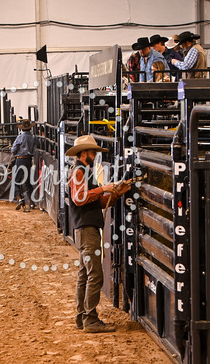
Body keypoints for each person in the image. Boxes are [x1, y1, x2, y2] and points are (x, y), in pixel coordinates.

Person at [66, 135, 130, 333]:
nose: (95, 155)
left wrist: (115, 194)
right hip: (87, 229)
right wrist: (104, 188)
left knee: (86, 274)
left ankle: (82, 317)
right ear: (84, 153)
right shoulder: (79, 171)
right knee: (94, 273)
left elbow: (91, 201)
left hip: (85, 228)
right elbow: (79, 198)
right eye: (93, 152)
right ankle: (90, 319)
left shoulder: (82, 172)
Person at [11, 119, 36, 212]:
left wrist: (15, 151)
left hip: (20, 159)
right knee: (28, 181)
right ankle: (31, 201)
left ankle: (19, 198)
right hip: (28, 159)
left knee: (17, 180)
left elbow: (13, 150)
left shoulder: (20, 137)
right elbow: (34, 148)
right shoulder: (33, 137)